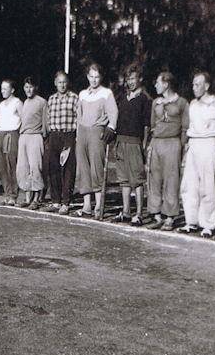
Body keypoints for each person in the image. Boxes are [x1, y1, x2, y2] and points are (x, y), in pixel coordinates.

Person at [178, 71, 215, 237]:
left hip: (209, 143)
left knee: (207, 185)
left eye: (198, 84)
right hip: (193, 143)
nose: (194, 87)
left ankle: (207, 224)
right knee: (189, 184)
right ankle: (191, 222)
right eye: (193, 84)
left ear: (207, 86)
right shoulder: (192, 104)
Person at [74, 63, 118, 218]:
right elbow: (79, 115)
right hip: (82, 132)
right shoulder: (82, 94)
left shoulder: (106, 93)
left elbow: (113, 113)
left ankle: (99, 204)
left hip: (96, 131)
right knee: (83, 168)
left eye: (97, 77)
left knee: (96, 167)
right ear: (87, 77)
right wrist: (78, 134)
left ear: (101, 77)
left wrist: (111, 127)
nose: (94, 80)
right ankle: (87, 205)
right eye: (91, 76)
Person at [146, 71, 188, 231]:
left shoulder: (181, 102)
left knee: (171, 180)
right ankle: (156, 215)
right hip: (157, 142)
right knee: (154, 179)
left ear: (166, 84)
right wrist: (150, 144)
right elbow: (152, 125)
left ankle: (170, 217)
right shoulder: (155, 103)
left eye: (158, 82)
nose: (155, 85)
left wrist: (181, 148)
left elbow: (185, 128)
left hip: (172, 143)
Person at [113, 63, 151, 226]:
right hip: (121, 141)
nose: (131, 82)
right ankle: (126, 211)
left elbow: (147, 126)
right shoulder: (122, 97)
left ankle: (139, 213)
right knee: (124, 179)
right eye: (128, 79)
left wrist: (144, 145)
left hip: (135, 142)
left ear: (140, 79)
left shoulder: (145, 99)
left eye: (133, 78)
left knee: (137, 179)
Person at [44, 70, 79, 215]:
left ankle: (66, 202)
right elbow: (48, 118)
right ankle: (56, 201)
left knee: (68, 169)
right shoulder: (51, 99)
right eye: (59, 82)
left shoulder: (74, 98)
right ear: (55, 83)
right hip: (54, 135)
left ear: (67, 83)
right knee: (53, 168)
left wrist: (75, 136)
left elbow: (78, 117)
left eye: (64, 82)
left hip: (68, 135)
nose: (62, 85)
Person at [16, 77, 49, 209]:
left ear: (35, 87)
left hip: (36, 137)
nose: (28, 90)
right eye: (26, 87)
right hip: (24, 137)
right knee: (23, 168)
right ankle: (27, 198)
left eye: (31, 87)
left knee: (36, 167)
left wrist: (44, 138)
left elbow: (45, 123)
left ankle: (36, 199)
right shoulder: (25, 102)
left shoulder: (42, 102)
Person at [0, 79, 23, 205]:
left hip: (12, 134)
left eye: (5, 88)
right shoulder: (1, 104)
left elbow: (24, 119)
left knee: (11, 165)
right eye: (2, 88)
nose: (3, 91)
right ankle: (6, 193)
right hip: (1, 134)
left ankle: (13, 195)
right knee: (1, 167)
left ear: (12, 90)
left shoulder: (17, 102)